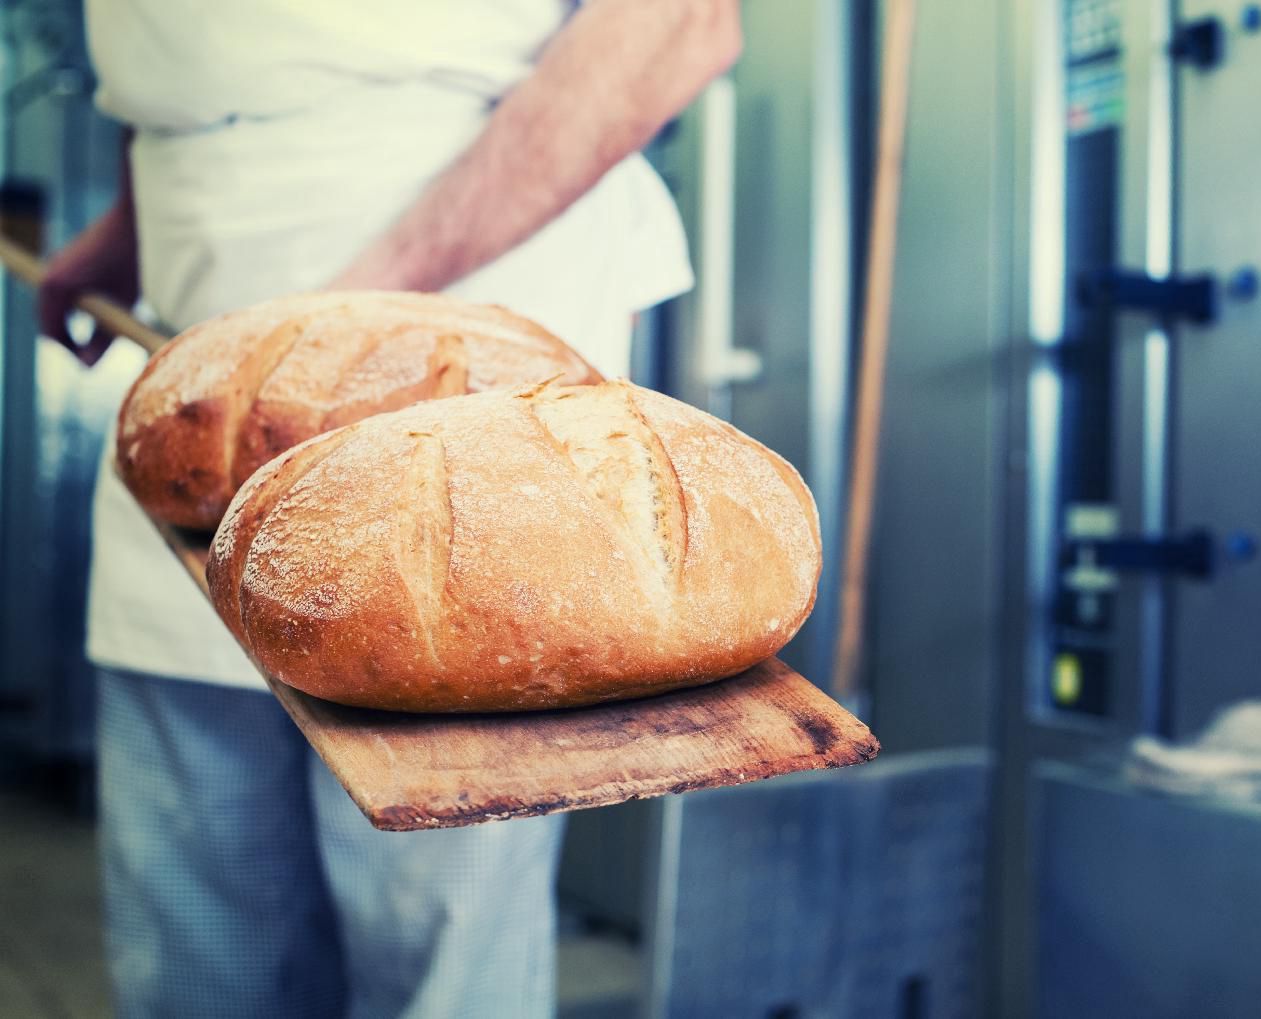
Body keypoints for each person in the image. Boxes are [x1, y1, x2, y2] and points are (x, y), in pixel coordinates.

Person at [39, 2, 740, 1015]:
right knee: (203, 942)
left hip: (460, 366)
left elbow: (677, 23)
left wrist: (335, 331)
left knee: (436, 958)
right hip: (199, 389)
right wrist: (131, 230)